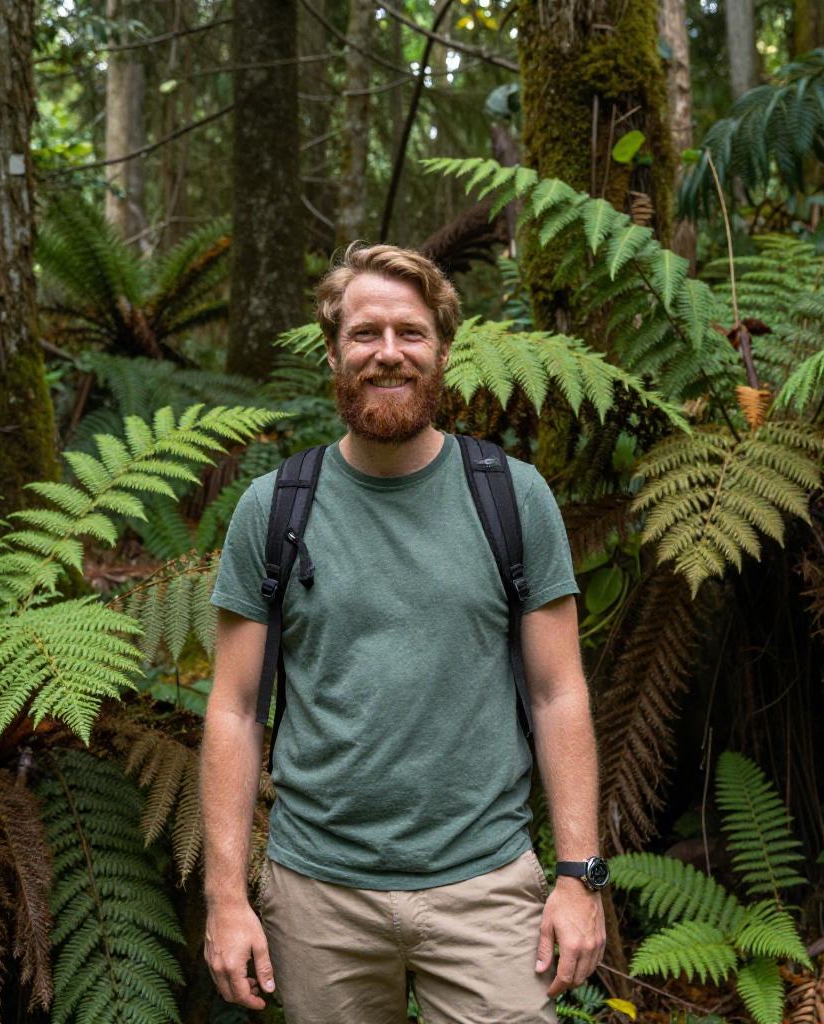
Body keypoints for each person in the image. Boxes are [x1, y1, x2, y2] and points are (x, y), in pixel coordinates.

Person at [200, 243, 606, 1023]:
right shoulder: (273, 507)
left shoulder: (512, 498)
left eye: (411, 333)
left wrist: (577, 876)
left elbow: (560, 693)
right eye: (365, 334)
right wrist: (226, 897)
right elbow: (234, 708)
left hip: (487, 888)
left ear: (443, 350)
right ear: (333, 351)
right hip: (318, 894)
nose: (389, 353)